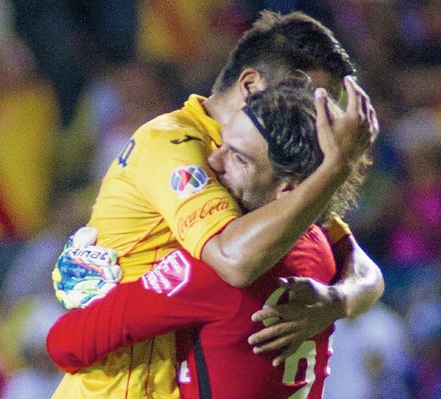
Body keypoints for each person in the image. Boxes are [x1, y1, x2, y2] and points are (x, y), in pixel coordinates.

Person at [51, 10, 382, 398]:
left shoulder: (272, 168)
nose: (310, 117)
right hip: (117, 386)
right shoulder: (174, 144)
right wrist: (335, 168)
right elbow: (233, 261)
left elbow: (360, 266)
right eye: (304, 96)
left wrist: (334, 300)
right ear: (252, 84)